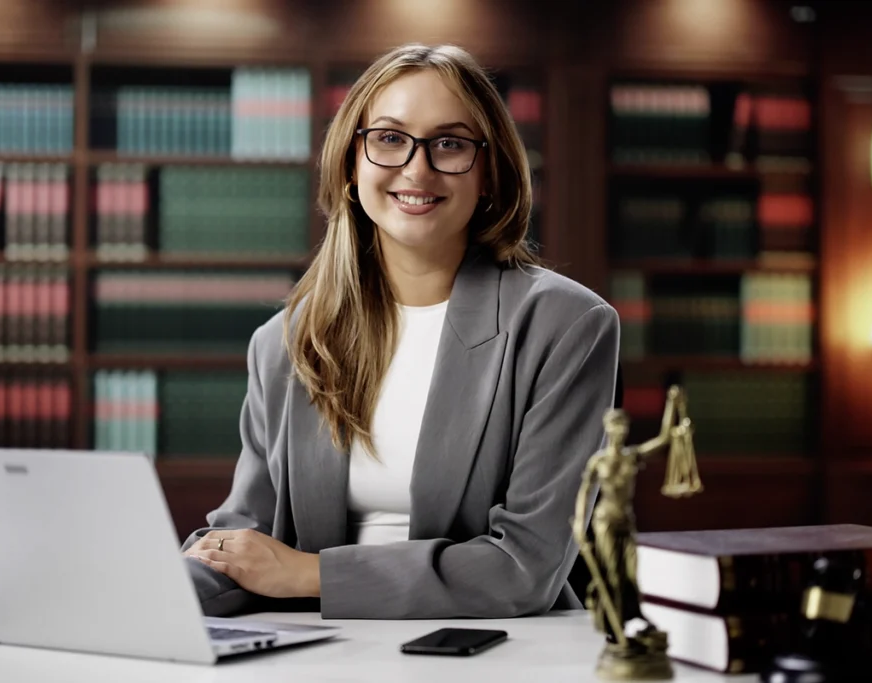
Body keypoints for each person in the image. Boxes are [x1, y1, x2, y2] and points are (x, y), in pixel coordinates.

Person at [181, 43, 620, 620]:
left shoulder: (565, 327)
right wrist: (151, 589)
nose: (417, 169)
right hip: (315, 648)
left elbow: (524, 567)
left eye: (450, 144)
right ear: (350, 165)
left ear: (488, 173)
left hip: (491, 649)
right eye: (389, 138)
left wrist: (307, 574)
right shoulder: (285, 340)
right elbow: (244, 538)